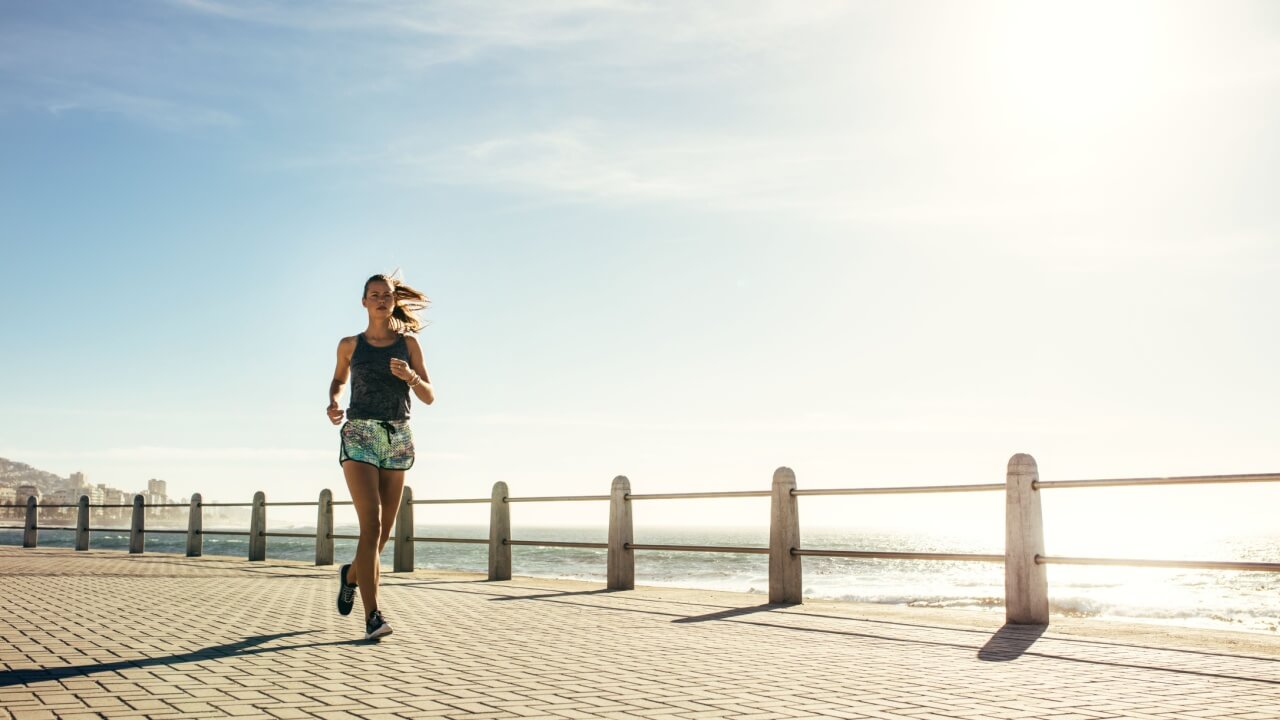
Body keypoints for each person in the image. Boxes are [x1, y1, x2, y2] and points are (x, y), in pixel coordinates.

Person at [326, 272, 434, 640]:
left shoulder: (409, 344)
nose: (381, 300)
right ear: (364, 302)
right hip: (359, 434)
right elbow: (339, 380)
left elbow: (430, 395)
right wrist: (334, 401)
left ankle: (351, 575)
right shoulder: (349, 345)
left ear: (393, 300)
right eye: (374, 295)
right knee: (369, 526)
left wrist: (410, 378)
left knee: (384, 532)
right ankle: (373, 616)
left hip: (397, 435)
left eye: (386, 295)